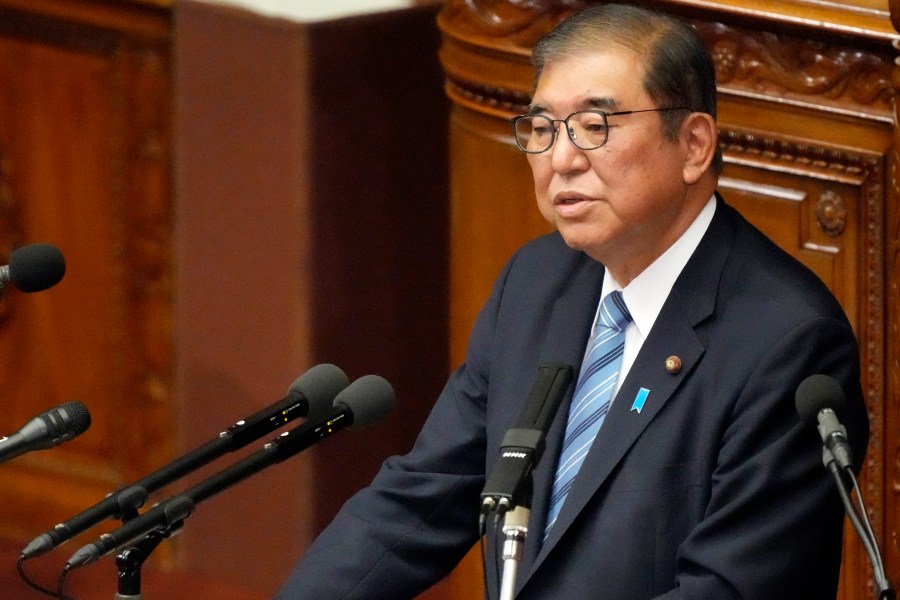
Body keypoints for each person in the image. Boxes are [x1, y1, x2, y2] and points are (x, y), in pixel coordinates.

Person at [274, 4, 869, 599]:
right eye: (542, 128)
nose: (561, 159)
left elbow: (730, 590)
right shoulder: (536, 283)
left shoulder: (788, 343)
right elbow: (419, 502)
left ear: (693, 144)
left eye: (595, 126)